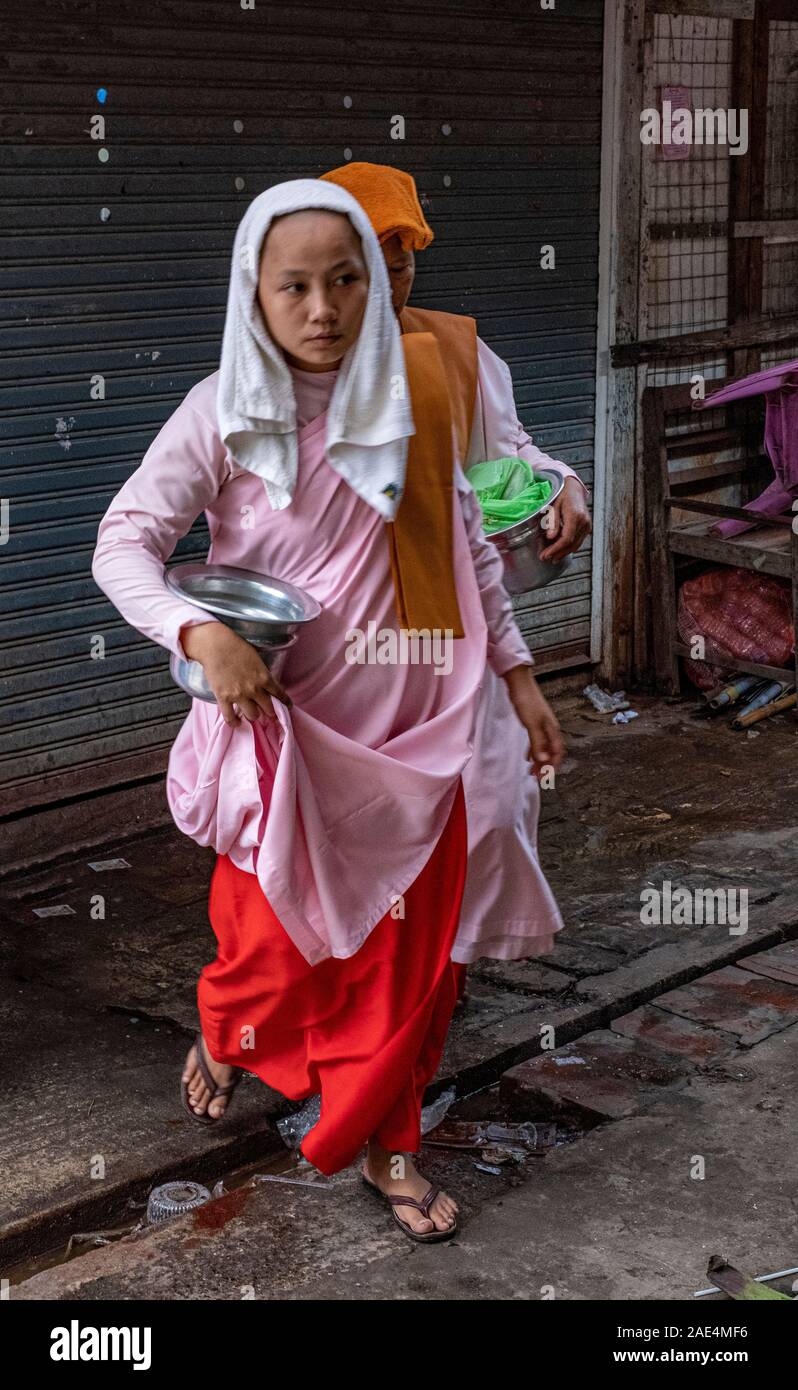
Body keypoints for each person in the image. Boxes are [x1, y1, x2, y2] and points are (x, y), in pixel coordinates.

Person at [91, 178, 561, 1241]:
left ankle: (389, 1145)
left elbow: (469, 547)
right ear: (251, 292)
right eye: (293, 285)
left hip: (424, 733)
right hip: (288, 736)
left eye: (345, 280)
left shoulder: (410, 399)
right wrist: (197, 631)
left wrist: (521, 680)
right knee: (271, 946)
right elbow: (120, 543)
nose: (323, 309)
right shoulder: (219, 412)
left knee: (410, 977)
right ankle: (229, 1029)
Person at [320, 163, 590, 994]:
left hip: (455, 626)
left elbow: (508, 456)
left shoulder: (462, 353)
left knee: (490, 804)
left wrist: (565, 483)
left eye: (404, 261)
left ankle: (439, 978)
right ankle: (367, 988)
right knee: (361, 827)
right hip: (347, 645)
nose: (393, 280)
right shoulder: (297, 363)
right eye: (371, 260)